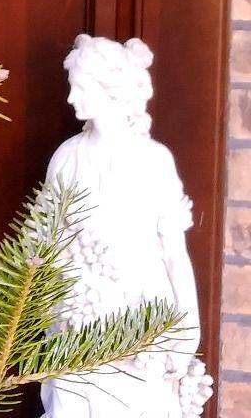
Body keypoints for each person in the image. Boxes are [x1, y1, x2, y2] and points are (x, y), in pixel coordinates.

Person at [39, 34, 212, 418]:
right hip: (79, 323)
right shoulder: (67, 159)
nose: (71, 99)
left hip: (142, 322)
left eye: (80, 89)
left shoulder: (153, 161)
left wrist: (186, 334)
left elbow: (173, 252)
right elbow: (45, 248)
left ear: (111, 91)